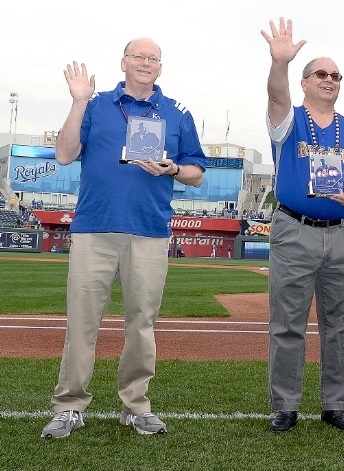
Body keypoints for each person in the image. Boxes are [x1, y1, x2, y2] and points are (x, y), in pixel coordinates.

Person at [41, 38, 207, 439]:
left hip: (148, 231)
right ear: (123, 63)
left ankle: (135, 406)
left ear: (160, 68)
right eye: (139, 56)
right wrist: (77, 100)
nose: (146, 63)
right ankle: (69, 406)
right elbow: (64, 155)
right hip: (94, 229)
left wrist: (172, 170)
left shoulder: (177, 113)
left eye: (153, 58)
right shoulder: (95, 105)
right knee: (81, 322)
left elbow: (197, 171)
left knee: (142, 324)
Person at [261, 18, 344, 434]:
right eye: (321, 74)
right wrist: (279, 63)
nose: (329, 80)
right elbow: (275, 96)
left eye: (335, 75)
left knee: (341, 325)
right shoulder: (288, 121)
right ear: (304, 81)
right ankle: (285, 405)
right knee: (288, 323)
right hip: (296, 229)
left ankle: (335, 404)